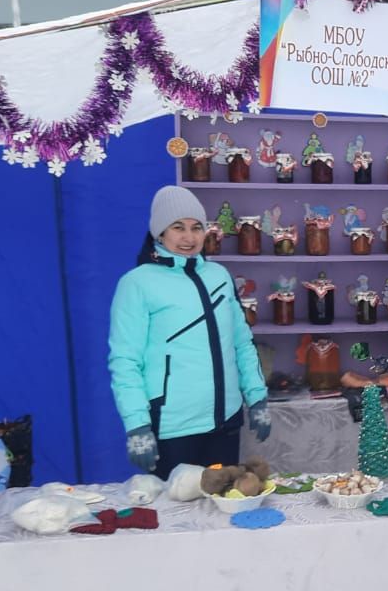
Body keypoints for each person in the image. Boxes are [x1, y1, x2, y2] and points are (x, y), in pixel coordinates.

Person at [109, 185, 270, 479]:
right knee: (177, 517)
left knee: (223, 507)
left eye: (197, 227)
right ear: (160, 233)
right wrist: (137, 425)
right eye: (178, 227)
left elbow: (242, 343)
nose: (189, 237)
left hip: (225, 424)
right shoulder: (137, 283)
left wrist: (257, 397)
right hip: (173, 428)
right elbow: (125, 360)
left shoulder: (219, 275)